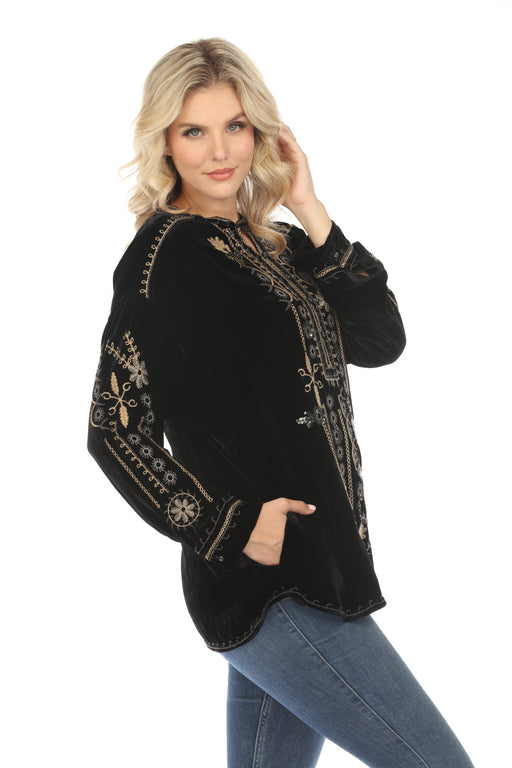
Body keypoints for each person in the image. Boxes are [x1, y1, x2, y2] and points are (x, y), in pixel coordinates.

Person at [88, 37, 474, 768]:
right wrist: (231, 528)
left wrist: (309, 206)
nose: (219, 151)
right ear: (165, 141)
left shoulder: (279, 245)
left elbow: (380, 340)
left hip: (324, 563)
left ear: (260, 129)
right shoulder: (162, 258)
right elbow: (114, 427)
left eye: (235, 125)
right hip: (267, 582)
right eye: (194, 131)